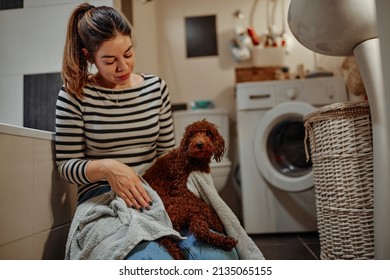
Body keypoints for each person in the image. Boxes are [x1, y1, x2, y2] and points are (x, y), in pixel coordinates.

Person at [55, 2, 239, 260]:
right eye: (110, 61)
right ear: (89, 56)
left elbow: (166, 154)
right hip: (106, 198)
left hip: (159, 191)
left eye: (128, 54)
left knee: (220, 260)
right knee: (152, 262)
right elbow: (66, 165)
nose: (123, 67)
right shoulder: (74, 94)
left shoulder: (155, 87)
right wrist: (110, 168)